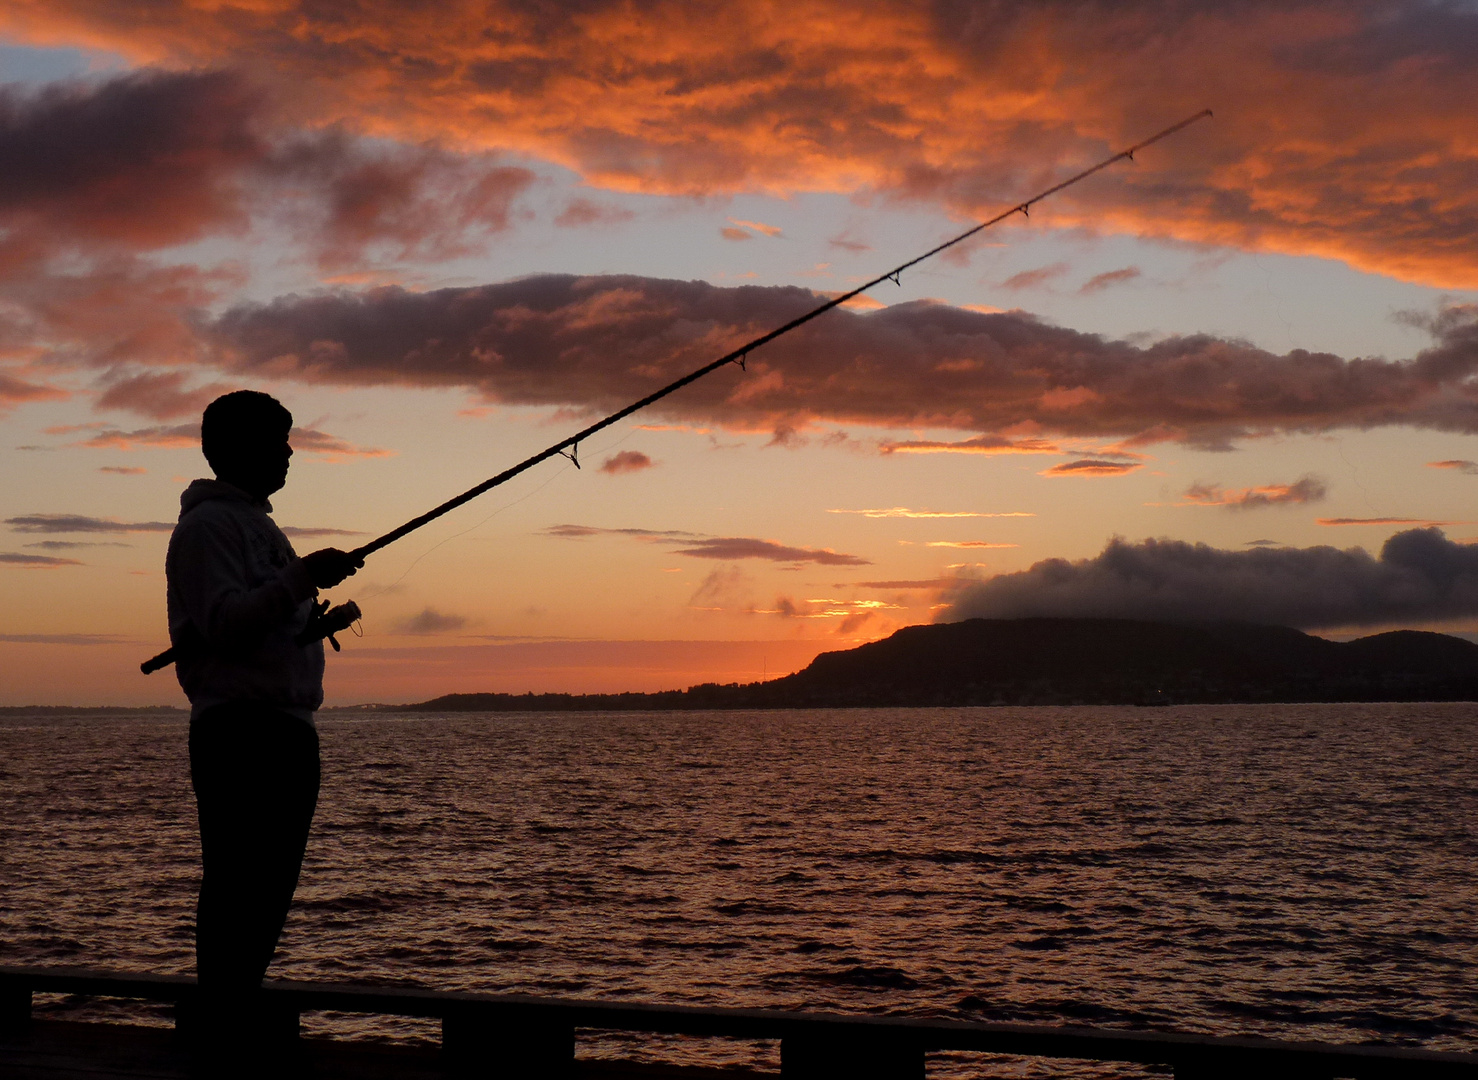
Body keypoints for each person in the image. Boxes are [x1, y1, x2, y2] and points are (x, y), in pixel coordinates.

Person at [165, 390, 361, 1050]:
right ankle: (220, 1028)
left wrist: (314, 618)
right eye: (278, 440)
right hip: (241, 733)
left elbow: (265, 621)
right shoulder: (207, 528)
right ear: (239, 447)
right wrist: (300, 580)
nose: (288, 452)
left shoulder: (257, 528)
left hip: (285, 731)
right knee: (239, 886)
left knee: (268, 889)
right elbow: (223, 625)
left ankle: (232, 1016)